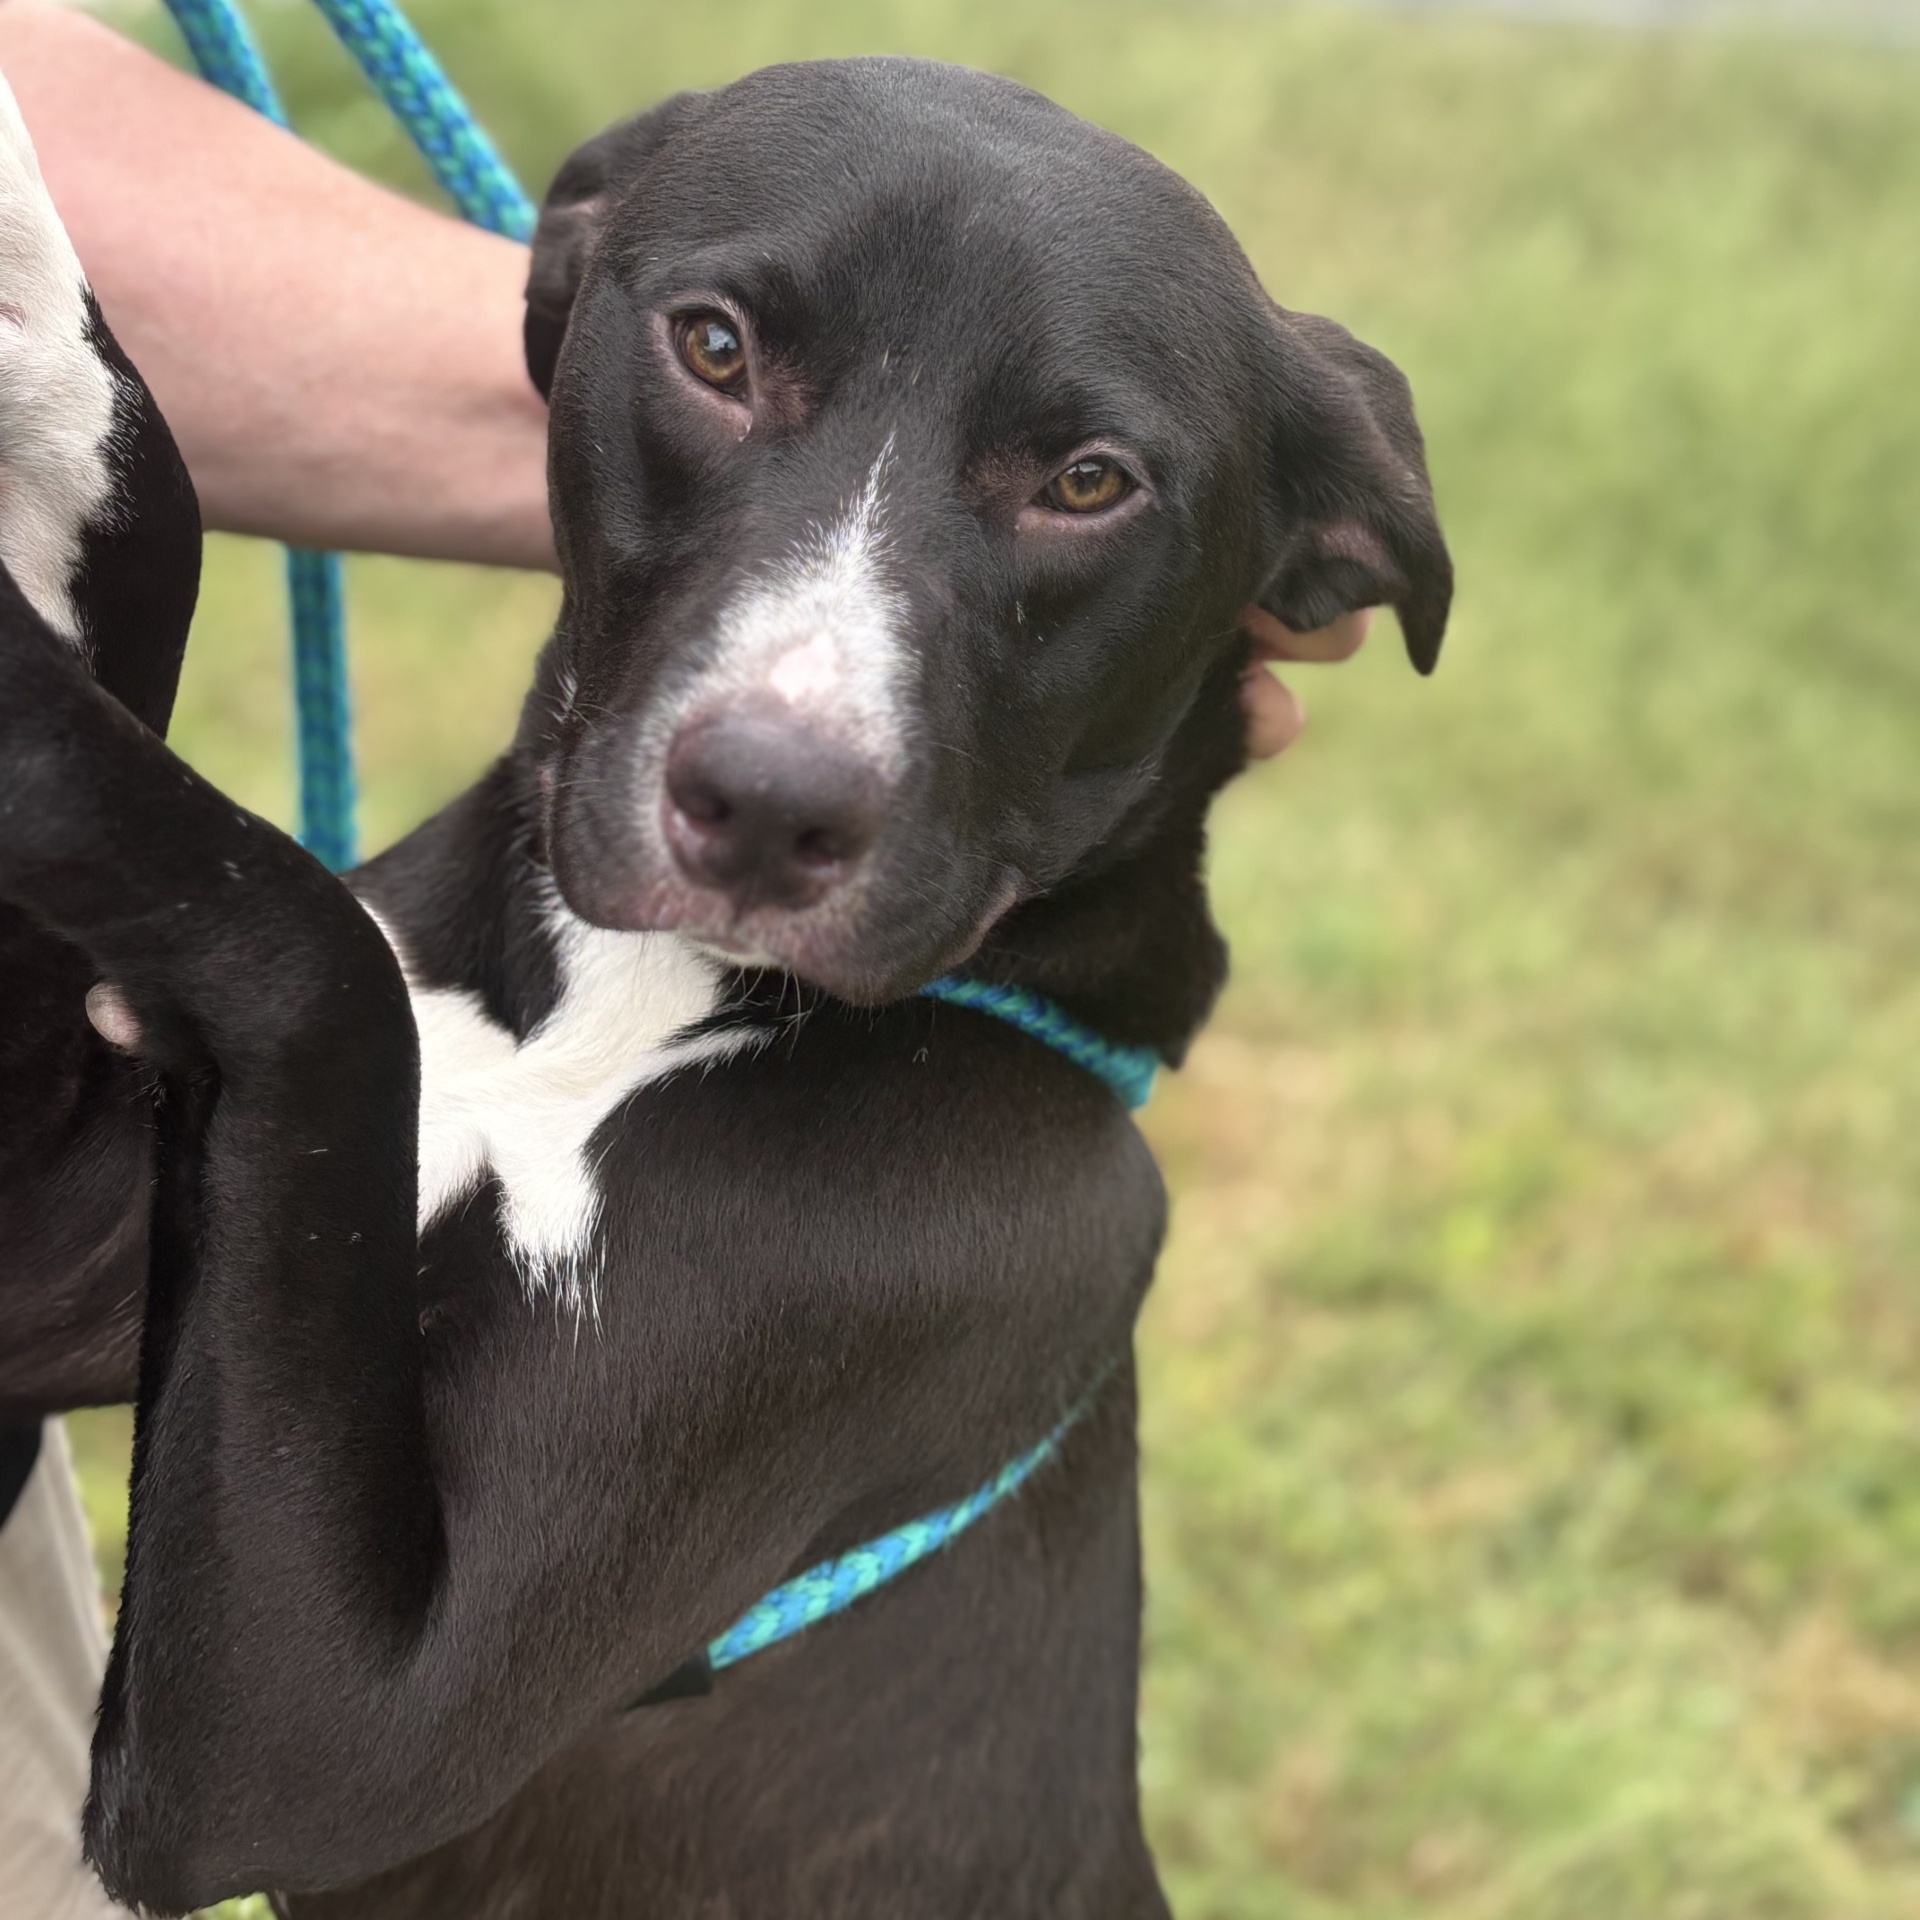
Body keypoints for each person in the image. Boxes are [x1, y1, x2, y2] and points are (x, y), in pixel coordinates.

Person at [0, 6, 1369, 1914]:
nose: (798, 727)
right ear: (574, 316)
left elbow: (236, 1800)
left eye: (1078, 487)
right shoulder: (513, 895)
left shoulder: (979, 1189)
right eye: (720, 352)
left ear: (1295, 560)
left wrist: (262, 985)